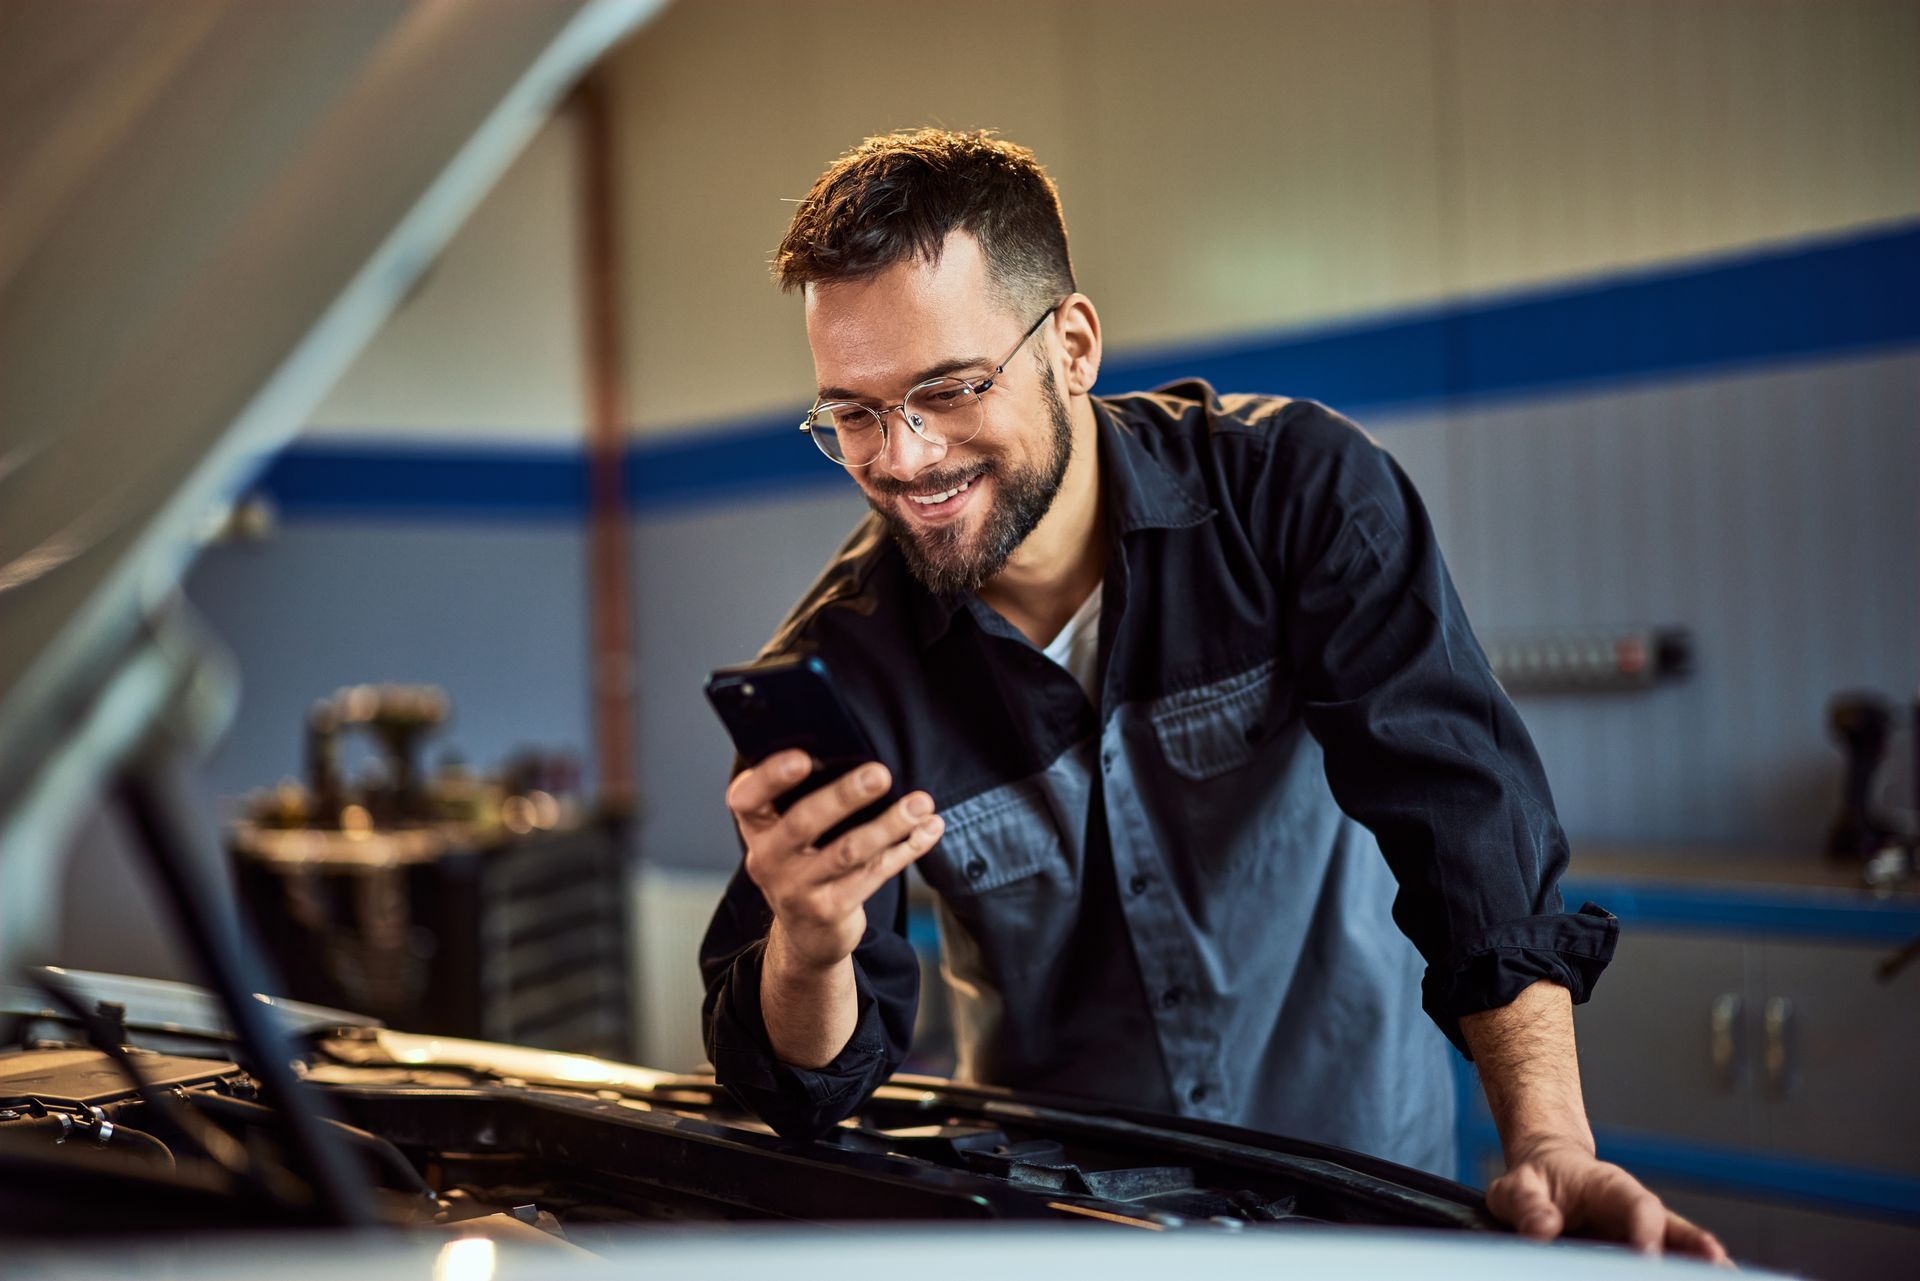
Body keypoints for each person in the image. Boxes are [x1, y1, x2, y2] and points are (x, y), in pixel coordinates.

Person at [699, 129, 1726, 1261]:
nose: (900, 457)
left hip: (1357, 1188)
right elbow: (806, 1088)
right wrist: (807, 945)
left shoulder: (1298, 499)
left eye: (947, 388)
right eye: (851, 412)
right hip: (1069, 1218)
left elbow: (1468, 833)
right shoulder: (846, 664)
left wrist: (1549, 1145)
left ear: (1073, 345)